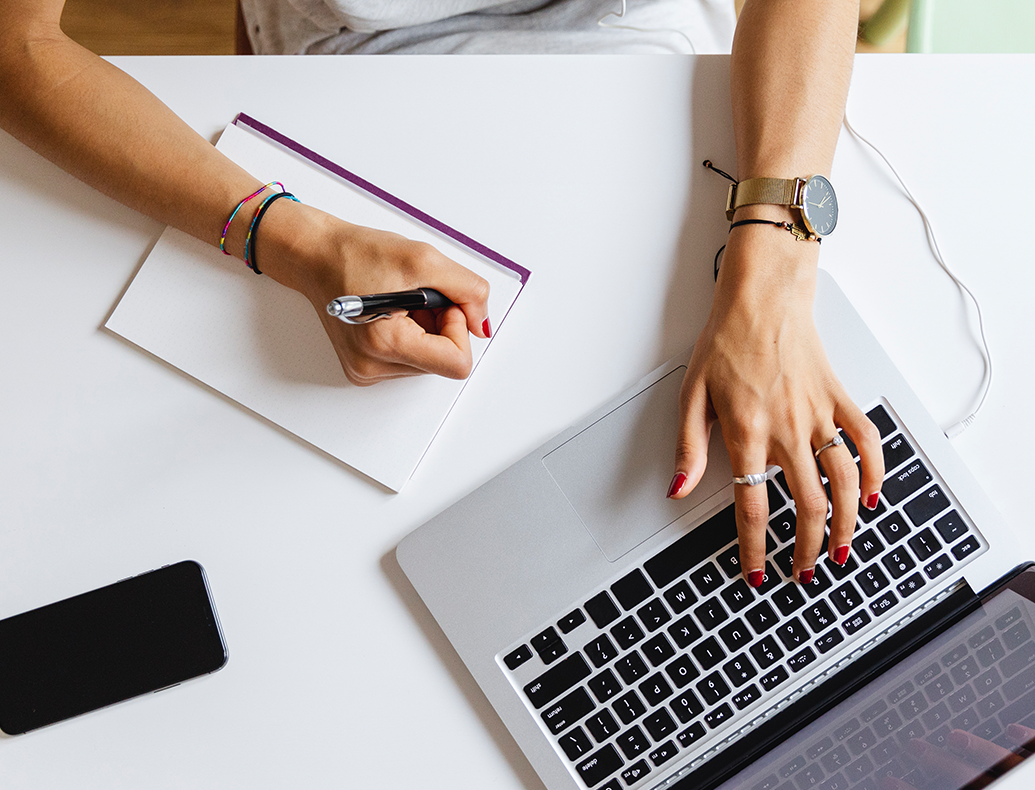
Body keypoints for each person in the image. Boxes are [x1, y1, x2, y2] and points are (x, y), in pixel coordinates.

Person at [0, 0, 884, 588]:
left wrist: (771, 273)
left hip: (665, 82)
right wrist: (299, 243)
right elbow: (16, 46)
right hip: (346, 81)